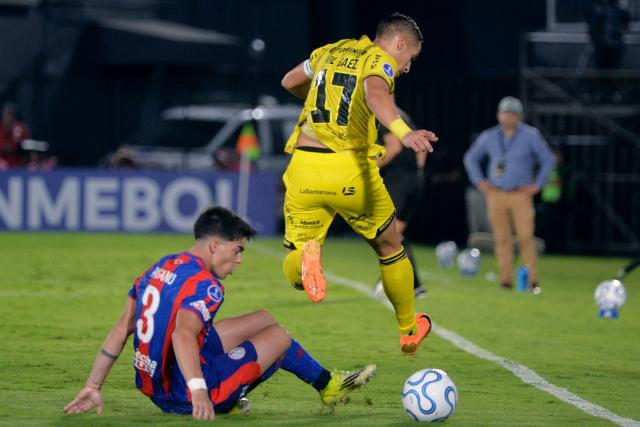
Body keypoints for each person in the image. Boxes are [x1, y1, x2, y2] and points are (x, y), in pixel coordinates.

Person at [64, 206, 376, 420]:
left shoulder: (164, 264)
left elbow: (122, 328)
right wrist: (199, 392)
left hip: (156, 382)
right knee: (278, 338)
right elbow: (182, 334)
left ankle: (327, 385)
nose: (239, 259)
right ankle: (325, 387)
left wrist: (93, 386)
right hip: (185, 395)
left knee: (264, 320)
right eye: (237, 250)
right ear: (214, 246)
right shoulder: (207, 286)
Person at [280, 12, 437, 355]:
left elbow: (289, 82)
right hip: (349, 170)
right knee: (391, 246)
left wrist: (320, 100)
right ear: (398, 43)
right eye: (410, 57)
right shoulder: (379, 61)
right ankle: (409, 328)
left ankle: (307, 258)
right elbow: (378, 95)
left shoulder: (330, 51)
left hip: (304, 167)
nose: (407, 67)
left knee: (295, 255)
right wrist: (405, 133)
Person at [463, 97, 555, 292]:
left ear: (519, 116)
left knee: (525, 237)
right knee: (501, 238)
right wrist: (479, 181)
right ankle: (506, 280)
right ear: (499, 115)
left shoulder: (530, 136)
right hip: (496, 194)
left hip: (520, 194)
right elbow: (470, 157)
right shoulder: (490, 136)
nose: (508, 117)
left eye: (512, 114)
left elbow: (548, 159)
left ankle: (531, 280)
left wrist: (537, 185)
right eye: (505, 113)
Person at [370, 107, 428, 299]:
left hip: (399, 180)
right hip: (415, 179)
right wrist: (416, 171)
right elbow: (422, 144)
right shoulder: (402, 115)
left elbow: (393, 147)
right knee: (396, 234)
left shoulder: (381, 112)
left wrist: (369, 167)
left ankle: (388, 283)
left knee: (385, 234)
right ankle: (416, 285)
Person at [0, 102, 30, 169]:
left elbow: (10, 147)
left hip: (17, 165)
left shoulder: (19, 128)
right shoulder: (1, 127)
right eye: (7, 115)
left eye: (11, 115)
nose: (9, 118)